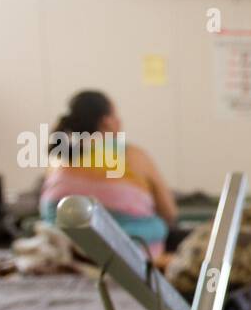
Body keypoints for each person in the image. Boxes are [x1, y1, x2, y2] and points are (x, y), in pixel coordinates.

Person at [39, 90, 177, 256]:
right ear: (106, 122)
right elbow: (169, 212)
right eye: (115, 115)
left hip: (63, 254)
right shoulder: (133, 155)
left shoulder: (59, 158)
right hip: (133, 258)